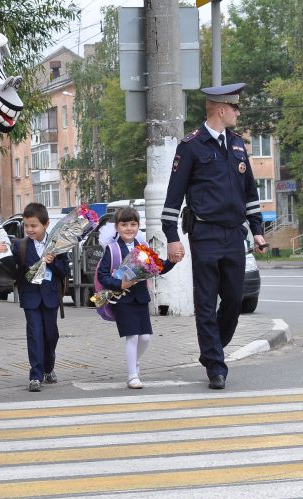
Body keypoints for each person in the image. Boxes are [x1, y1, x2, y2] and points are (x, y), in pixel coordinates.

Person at [160, 82, 267, 390]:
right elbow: (173, 196)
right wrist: (172, 236)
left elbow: (250, 193)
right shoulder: (191, 146)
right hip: (204, 233)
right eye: (235, 108)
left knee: (234, 298)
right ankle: (216, 366)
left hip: (235, 235)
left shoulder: (236, 144)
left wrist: (257, 231)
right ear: (221, 109)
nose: (238, 112)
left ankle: (212, 350)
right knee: (206, 301)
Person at [97, 207, 175, 389]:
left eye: (133, 224)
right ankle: (132, 375)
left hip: (140, 297)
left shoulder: (143, 248)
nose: (129, 228)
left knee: (146, 337)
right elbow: (102, 275)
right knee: (131, 336)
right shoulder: (112, 249)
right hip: (122, 299)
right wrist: (120, 285)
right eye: (124, 225)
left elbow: (158, 267)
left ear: (138, 226)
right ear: (117, 227)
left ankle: (134, 363)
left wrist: (172, 261)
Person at [12, 202, 70, 392]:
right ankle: (35, 376)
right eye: (26, 225)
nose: (29, 229)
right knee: (35, 334)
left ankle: (48, 368)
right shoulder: (20, 246)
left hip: (51, 297)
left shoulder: (57, 245)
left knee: (51, 335)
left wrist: (53, 263)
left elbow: (64, 271)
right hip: (30, 298)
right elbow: (14, 271)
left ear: (45, 225)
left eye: (34, 225)